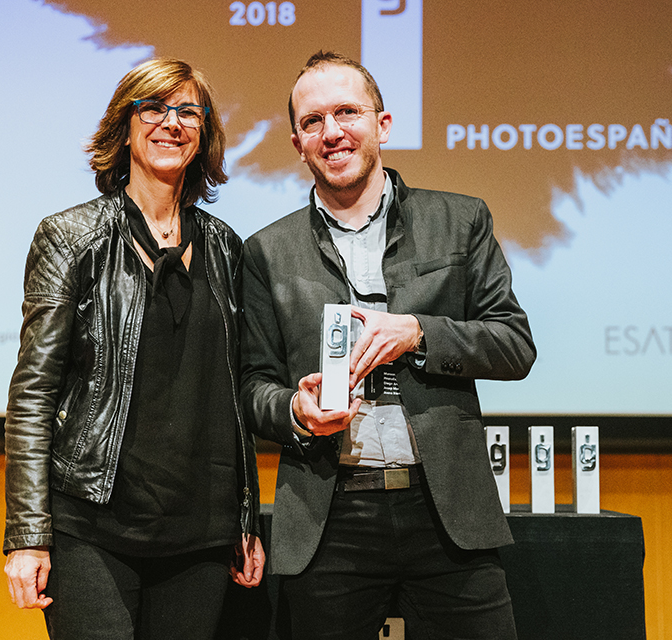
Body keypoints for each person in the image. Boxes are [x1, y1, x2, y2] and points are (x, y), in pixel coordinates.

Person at [240, 51, 536, 640]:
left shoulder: (460, 220)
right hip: (330, 516)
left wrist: (420, 333)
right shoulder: (265, 252)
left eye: (348, 111)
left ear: (383, 123)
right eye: (313, 121)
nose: (333, 132)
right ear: (298, 142)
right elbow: (250, 387)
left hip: (444, 508)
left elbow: (514, 344)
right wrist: (294, 411)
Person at [3, 57, 264, 640]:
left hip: (200, 532)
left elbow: (236, 393)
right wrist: (27, 535)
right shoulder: (70, 237)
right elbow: (33, 394)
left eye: (187, 111)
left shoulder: (226, 248)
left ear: (203, 134)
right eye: (153, 108)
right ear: (124, 128)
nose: (171, 123)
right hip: (92, 525)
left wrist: (245, 517)